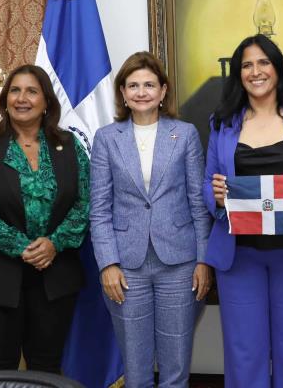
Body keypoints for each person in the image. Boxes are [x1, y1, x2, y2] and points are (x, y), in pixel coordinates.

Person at [204, 34, 283, 388]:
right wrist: (214, 196)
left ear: (278, 69)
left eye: (263, 63)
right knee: (244, 356)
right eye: (247, 65)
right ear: (238, 73)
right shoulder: (221, 123)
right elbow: (206, 184)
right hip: (240, 258)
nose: (255, 71)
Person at [0, 64, 89, 373]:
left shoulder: (69, 147)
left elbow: (86, 203)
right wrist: (21, 246)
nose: (21, 98)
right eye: (14, 90)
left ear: (47, 103)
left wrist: (55, 243)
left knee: (46, 367)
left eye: (31, 91)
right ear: (5, 99)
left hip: (54, 279)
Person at [90, 52, 212, 387]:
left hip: (180, 264)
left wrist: (204, 260)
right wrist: (107, 264)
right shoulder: (106, 138)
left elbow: (198, 204)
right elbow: (99, 209)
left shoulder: (185, 134)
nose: (141, 91)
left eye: (149, 84)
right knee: (137, 369)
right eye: (133, 85)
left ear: (163, 91)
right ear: (123, 94)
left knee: (175, 368)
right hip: (126, 267)